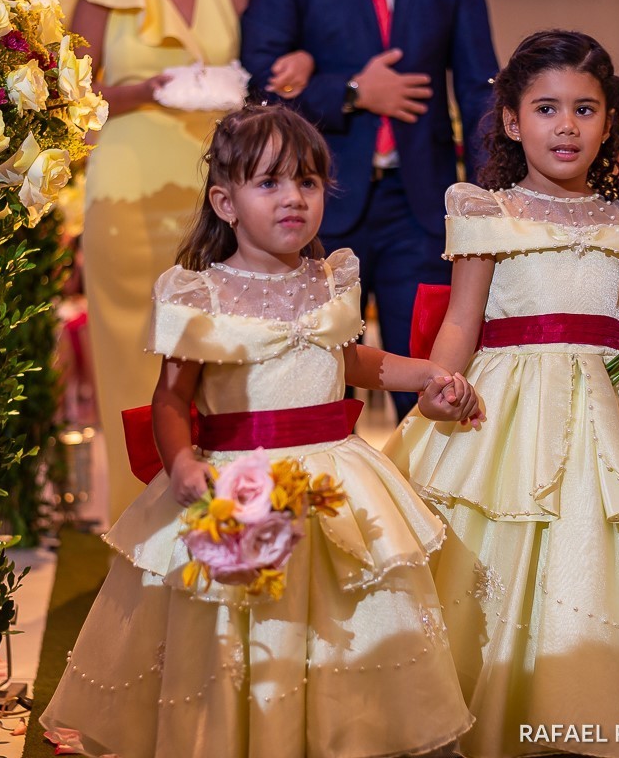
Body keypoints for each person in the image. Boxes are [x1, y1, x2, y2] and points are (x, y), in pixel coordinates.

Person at [40, 105, 481, 758]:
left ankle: (336, 735)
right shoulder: (199, 293)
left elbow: (349, 359)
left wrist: (425, 375)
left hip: (334, 474)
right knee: (242, 630)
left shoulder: (330, 279)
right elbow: (171, 397)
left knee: (338, 622)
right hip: (237, 482)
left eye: (307, 182)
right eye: (268, 183)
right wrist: (183, 461)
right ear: (225, 201)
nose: (294, 198)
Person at [384, 31, 619, 757]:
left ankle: (601, 701)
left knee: (605, 542)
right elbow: (463, 319)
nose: (566, 126)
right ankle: (483, 701)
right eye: (547, 108)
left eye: (585, 109)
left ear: (610, 120)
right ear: (513, 120)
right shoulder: (485, 210)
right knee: (490, 542)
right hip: (502, 407)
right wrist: (439, 384)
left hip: (604, 413)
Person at [240, 0, 499, 418]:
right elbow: (259, 78)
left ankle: (425, 489)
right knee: (319, 373)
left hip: (420, 204)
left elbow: (480, 87)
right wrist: (352, 91)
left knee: (434, 375)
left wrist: (490, 198)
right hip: (320, 199)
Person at [52, 0, 252, 524]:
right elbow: (75, 93)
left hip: (212, 180)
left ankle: (219, 509)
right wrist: (142, 90)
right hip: (129, 183)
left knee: (211, 343)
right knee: (131, 346)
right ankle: (133, 517)